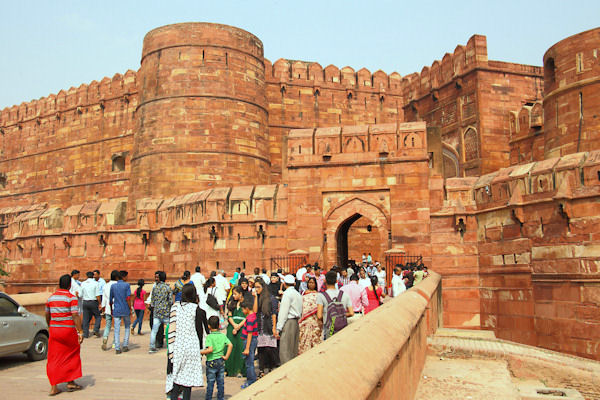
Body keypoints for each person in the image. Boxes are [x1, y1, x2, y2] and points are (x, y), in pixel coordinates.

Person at [167, 284, 209, 400]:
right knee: (188, 381)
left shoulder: (175, 307)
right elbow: (200, 330)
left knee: (176, 379)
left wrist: (170, 350)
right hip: (192, 346)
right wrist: (201, 348)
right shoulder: (195, 308)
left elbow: (171, 328)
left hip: (178, 346)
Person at [45, 274, 84, 396]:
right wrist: (80, 331)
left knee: (53, 357)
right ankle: (70, 381)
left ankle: (53, 387)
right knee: (71, 354)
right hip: (68, 330)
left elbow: (47, 314)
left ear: (59, 284)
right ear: (70, 285)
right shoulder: (71, 298)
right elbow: (75, 315)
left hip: (55, 330)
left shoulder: (51, 298)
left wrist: (50, 325)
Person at [202, 316, 233, 400]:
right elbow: (230, 345)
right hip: (221, 360)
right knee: (220, 382)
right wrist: (226, 356)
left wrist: (200, 352)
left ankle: (209, 398)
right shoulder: (222, 336)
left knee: (211, 383)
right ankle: (220, 398)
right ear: (219, 325)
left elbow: (210, 349)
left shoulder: (209, 337)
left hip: (211, 361)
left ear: (209, 326)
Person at [317, 271, 353, 340]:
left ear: (325, 281)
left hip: (329, 329)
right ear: (336, 281)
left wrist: (329, 317)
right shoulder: (345, 295)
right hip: (343, 328)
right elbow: (351, 313)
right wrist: (340, 315)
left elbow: (319, 316)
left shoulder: (321, 296)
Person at [254, 278, 279, 376]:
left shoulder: (271, 298)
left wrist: (274, 327)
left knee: (270, 348)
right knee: (261, 349)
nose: (256, 289)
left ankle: (271, 367)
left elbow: (274, 313)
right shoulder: (257, 298)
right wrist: (256, 297)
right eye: (255, 287)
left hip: (268, 326)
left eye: (258, 287)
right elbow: (255, 311)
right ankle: (261, 369)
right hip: (260, 326)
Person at [276, 274, 303, 364]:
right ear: (294, 284)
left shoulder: (287, 294)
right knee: (293, 349)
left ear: (284, 284)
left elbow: (283, 312)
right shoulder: (298, 294)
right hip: (296, 322)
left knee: (285, 350)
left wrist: (278, 328)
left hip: (288, 322)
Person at [225, 286, 246, 378]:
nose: (233, 296)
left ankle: (240, 370)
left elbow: (247, 317)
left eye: (235, 294)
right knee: (230, 347)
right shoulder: (231, 303)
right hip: (232, 327)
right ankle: (229, 369)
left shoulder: (245, 304)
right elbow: (229, 316)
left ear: (240, 294)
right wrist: (234, 325)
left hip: (242, 327)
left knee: (240, 348)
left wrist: (238, 326)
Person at [109, 270, 132, 354]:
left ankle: (117, 347)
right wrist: (130, 308)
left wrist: (111, 309)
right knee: (127, 327)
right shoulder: (126, 285)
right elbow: (128, 298)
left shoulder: (113, 286)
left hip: (117, 309)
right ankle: (125, 345)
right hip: (125, 308)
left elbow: (110, 300)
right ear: (124, 277)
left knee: (117, 329)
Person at [150, 271, 172, 353]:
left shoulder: (155, 288)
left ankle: (152, 346)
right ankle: (170, 345)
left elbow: (152, 301)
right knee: (170, 330)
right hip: (166, 312)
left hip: (157, 312)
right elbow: (170, 301)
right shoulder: (167, 288)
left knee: (154, 330)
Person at [298, 277, 322, 354]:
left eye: (313, 283)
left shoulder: (318, 295)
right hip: (304, 320)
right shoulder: (303, 294)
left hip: (315, 320)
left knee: (315, 339)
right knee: (303, 340)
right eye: (309, 282)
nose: (311, 284)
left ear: (315, 284)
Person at [240, 299, 258, 389]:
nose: (242, 312)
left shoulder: (250, 318)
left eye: (243, 309)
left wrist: (247, 348)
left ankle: (251, 381)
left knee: (249, 362)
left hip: (249, 341)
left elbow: (249, 334)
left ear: (246, 309)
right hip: (252, 340)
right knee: (249, 361)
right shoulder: (253, 315)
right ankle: (252, 379)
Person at [101, 270, 119, 350]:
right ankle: (114, 344)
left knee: (107, 325)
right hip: (116, 307)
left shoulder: (106, 285)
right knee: (116, 326)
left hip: (108, 308)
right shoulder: (118, 285)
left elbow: (104, 298)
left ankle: (105, 339)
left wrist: (102, 307)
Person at [80, 271, 101, 338]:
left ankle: (85, 333)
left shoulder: (83, 283)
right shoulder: (95, 283)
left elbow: (80, 294)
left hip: (85, 302)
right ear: (93, 276)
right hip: (93, 301)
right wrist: (100, 303)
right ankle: (96, 329)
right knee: (98, 316)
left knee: (85, 318)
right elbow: (97, 295)